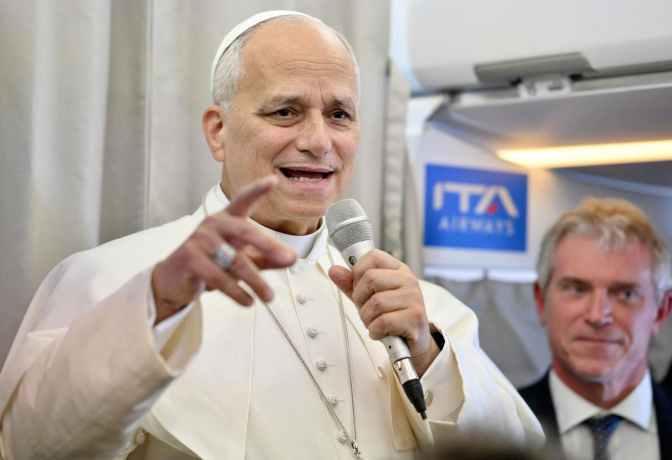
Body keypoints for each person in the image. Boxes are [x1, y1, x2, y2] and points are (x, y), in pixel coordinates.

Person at [0, 10, 542, 460]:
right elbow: (29, 447)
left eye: (339, 114)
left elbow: (513, 449)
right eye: (286, 111)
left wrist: (427, 353)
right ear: (218, 132)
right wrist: (156, 307)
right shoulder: (108, 278)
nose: (318, 141)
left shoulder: (420, 310)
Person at [518, 198, 672, 460]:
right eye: (577, 289)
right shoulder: (494, 429)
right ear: (541, 301)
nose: (598, 316)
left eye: (625, 294)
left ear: (661, 311)